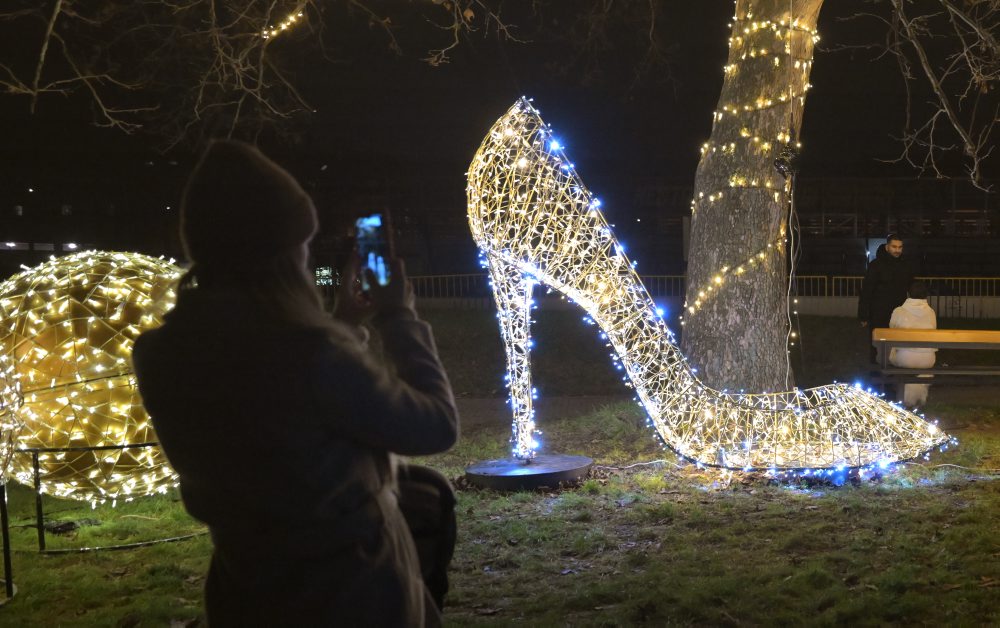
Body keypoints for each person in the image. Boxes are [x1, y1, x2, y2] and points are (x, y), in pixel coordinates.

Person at [132, 140, 459, 627]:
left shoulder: (161, 353)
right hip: (348, 597)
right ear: (282, 253)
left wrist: (345, 323)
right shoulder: (312, 355)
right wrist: (397, 317)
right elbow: (435, 426)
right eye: (302, 247)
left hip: (245, 592)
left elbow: (287, 418)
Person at [858, 234, 914, 363]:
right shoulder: (876, 265)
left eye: (900, 247)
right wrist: (864, 315)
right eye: (894, 247)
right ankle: (876, 374)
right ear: (887, 247)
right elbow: (867, 290)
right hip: (879, 314)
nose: (897, 250)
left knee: (896, 345)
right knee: (877, 346)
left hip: (899, 313)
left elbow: (912, 285)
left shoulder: (905, 265)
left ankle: (892, 373)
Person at [889, 281, 937, 408]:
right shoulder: (931, 312)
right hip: (928, 360)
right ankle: (917, 397)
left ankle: (904, 397)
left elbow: (891, 332)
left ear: (908, 294)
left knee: (893, 353)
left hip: (904, 359)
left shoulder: (899, 311)